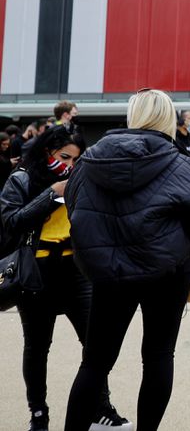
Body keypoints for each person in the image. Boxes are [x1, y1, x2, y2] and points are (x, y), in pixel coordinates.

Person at [62, 89, 190, 431]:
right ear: (168, 117)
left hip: (109, 271)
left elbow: (75, 208)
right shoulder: (178, 161)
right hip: (167, 269)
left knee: (95, 362)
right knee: (159, 356)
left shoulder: (91, 160)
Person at [0, 126, 131, 431]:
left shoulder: (80, 180)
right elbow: (11, 223)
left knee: (95, 344)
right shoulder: (21, 179)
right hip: (36, 275)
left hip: (77, 272)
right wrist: (51, 194)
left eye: (76, 160)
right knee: (37, 347)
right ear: (47, 152)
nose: (69, 165)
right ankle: (38, 414)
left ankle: (100, 408)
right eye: (64, 157)